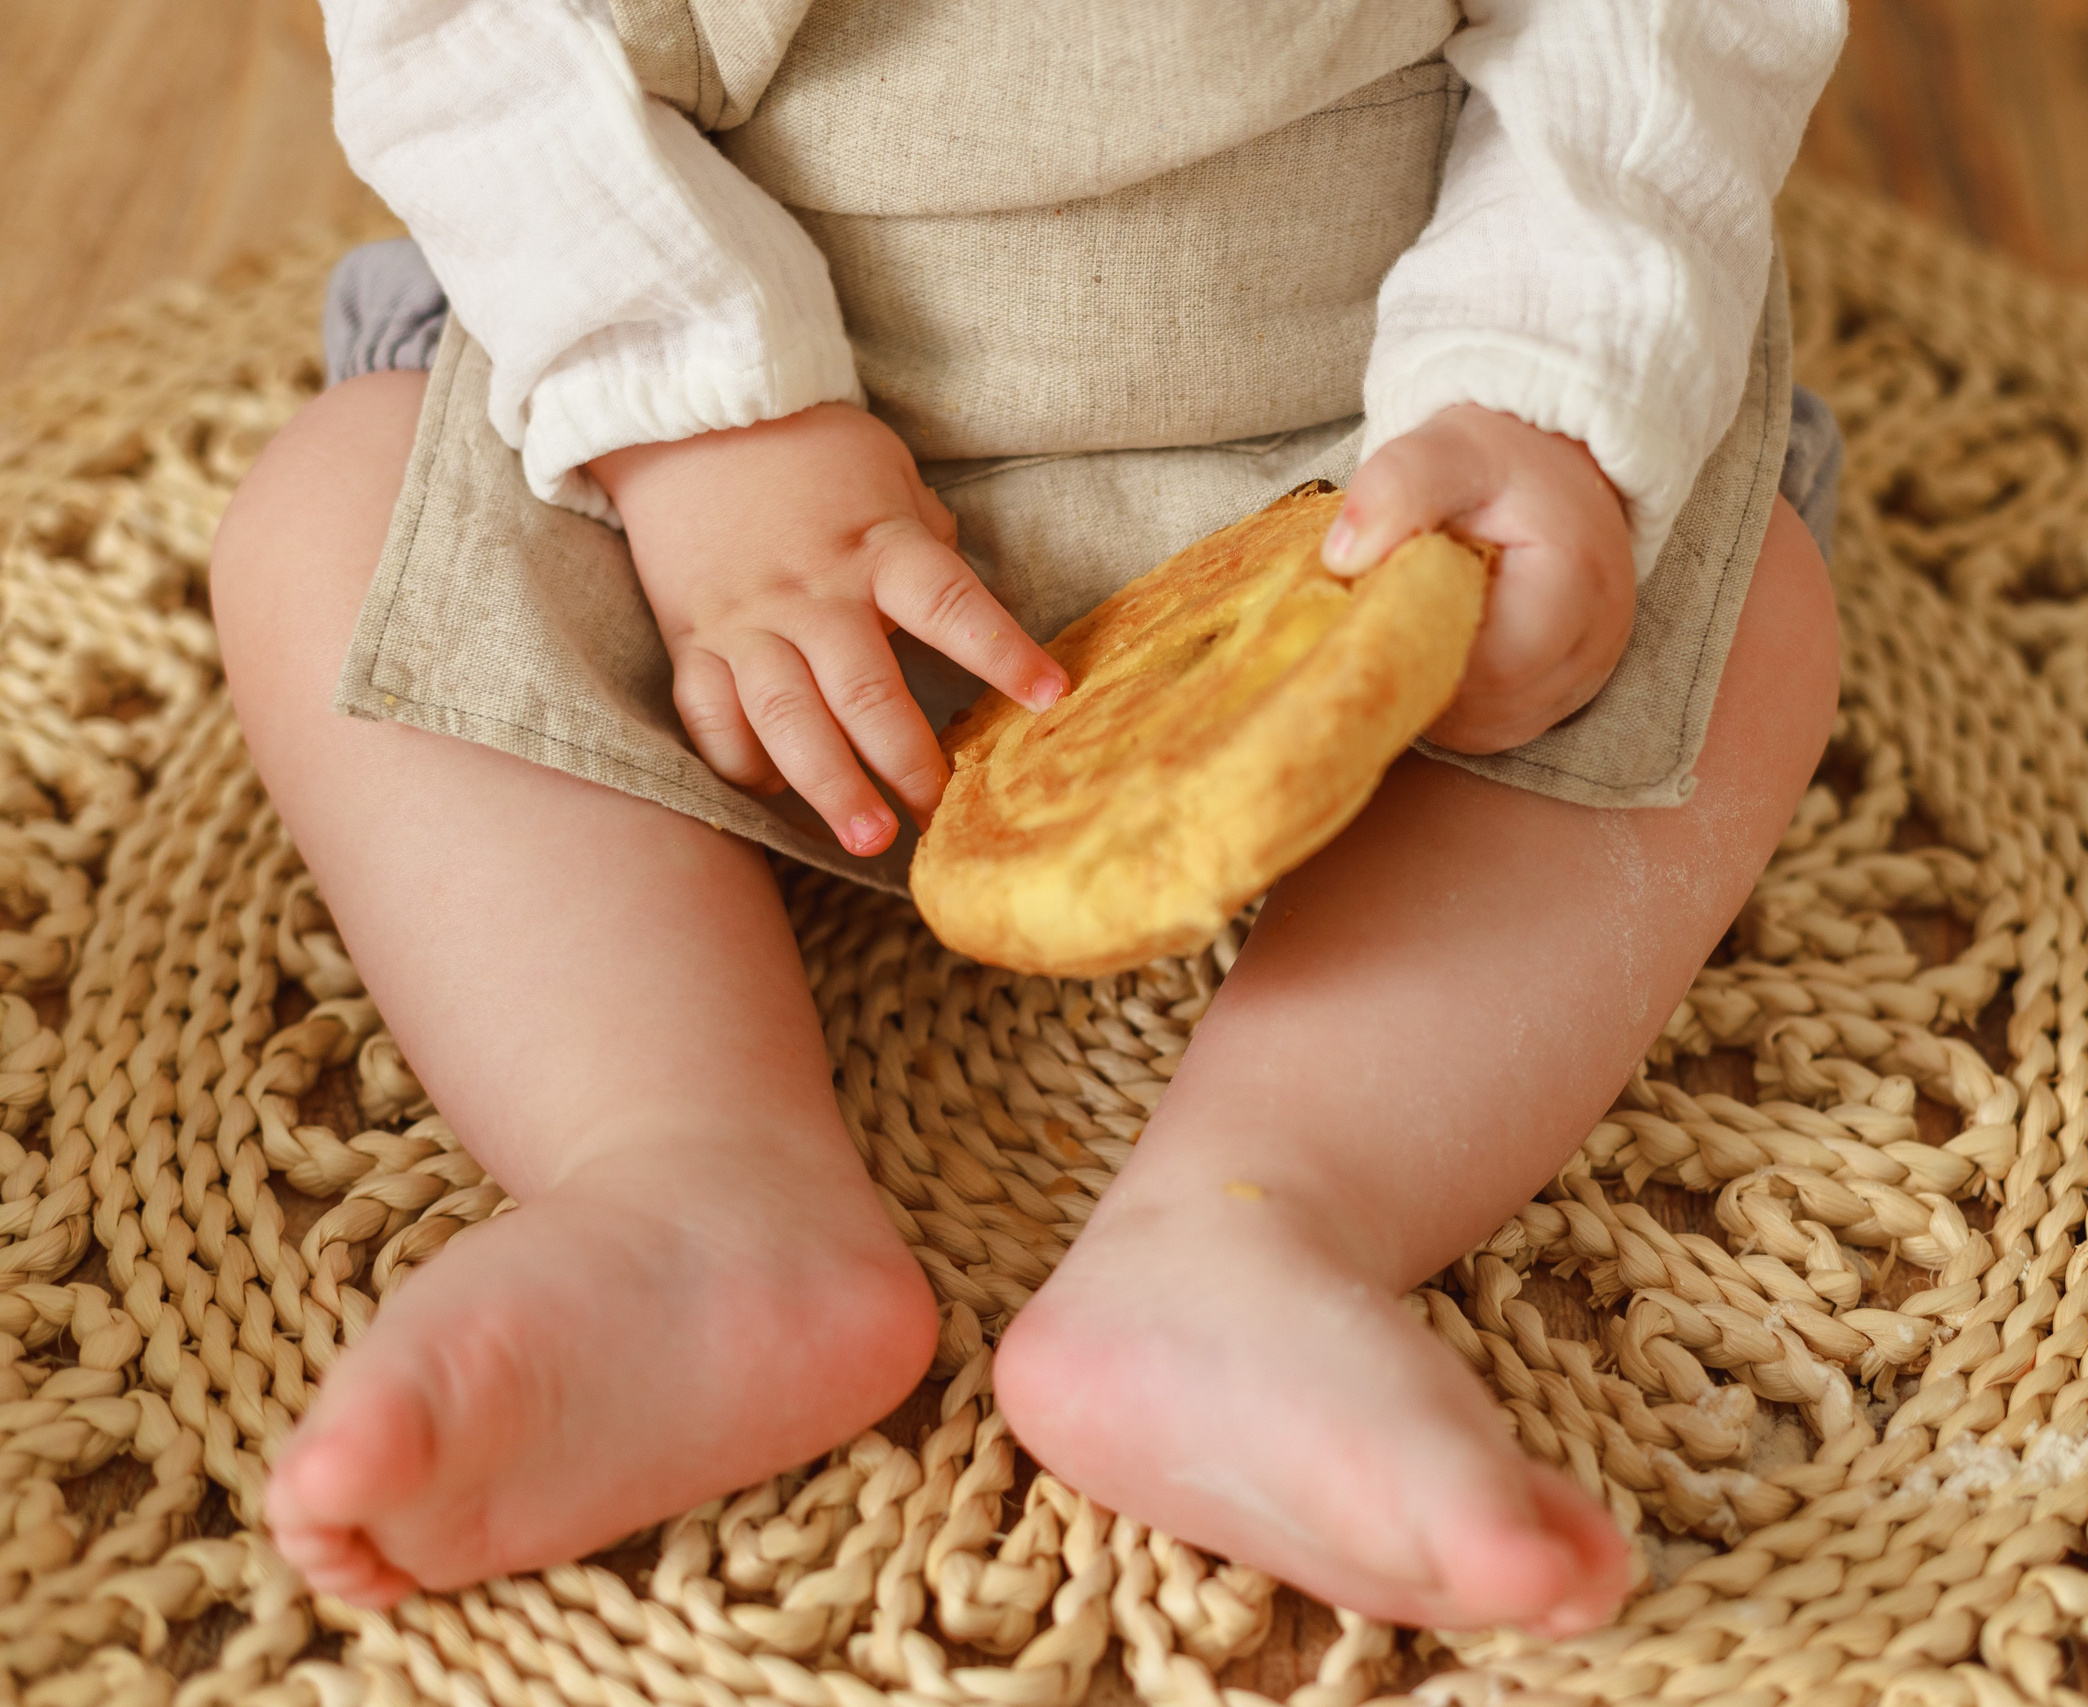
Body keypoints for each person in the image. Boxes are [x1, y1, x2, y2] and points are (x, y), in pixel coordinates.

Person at [209, 0, 1848, 1636]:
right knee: (334, 521)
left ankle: (1266, 1224)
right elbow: (488, 44)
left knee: (1740, 618)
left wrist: (1538, 396)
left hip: (1359, 447)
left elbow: (1649, 41)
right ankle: (681, 1181)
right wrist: (700, 419)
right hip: (716, 470)